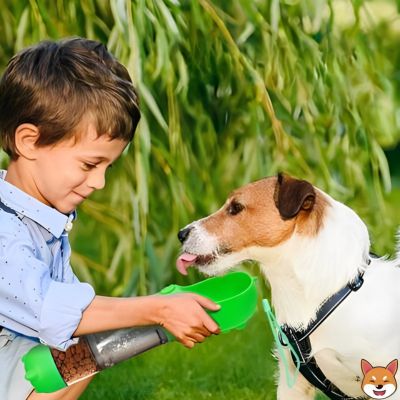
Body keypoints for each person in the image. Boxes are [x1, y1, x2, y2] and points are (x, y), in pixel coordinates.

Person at [0, 37, 220, 400]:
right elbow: (53, 311)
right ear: (29, 141)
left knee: (84, 347)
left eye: (108, 166)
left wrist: (156, 314)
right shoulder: (6, 233)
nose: (100, 182)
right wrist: (159, 309)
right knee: (80, 338)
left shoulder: (43, 218)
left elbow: (74, 318)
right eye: (89, 164)